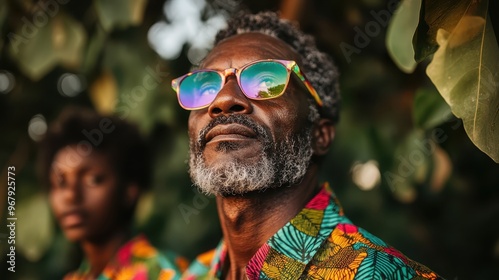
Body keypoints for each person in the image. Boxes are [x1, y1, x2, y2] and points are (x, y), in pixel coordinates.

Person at [171, 11, 443, 280]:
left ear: (319, 135)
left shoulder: (380, 274)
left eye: (266, 80)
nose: (223, 100)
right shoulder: (191, 275)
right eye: (206, 87)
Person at [38, 107, 184, 280]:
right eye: (60, 183)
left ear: (130, 191)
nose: (70, 195)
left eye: (93, 180)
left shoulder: (162, 272)